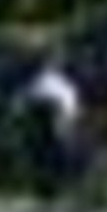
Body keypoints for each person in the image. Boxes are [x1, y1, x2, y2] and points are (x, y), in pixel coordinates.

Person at [18, 58, 84, 204]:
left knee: (41, 159)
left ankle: (45, 192)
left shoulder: (35, 84)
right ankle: (59, 190)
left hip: (40, 129)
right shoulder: (62, 85)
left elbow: (23, 105)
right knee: (58, 158)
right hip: (55, 127)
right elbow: (71, 107)